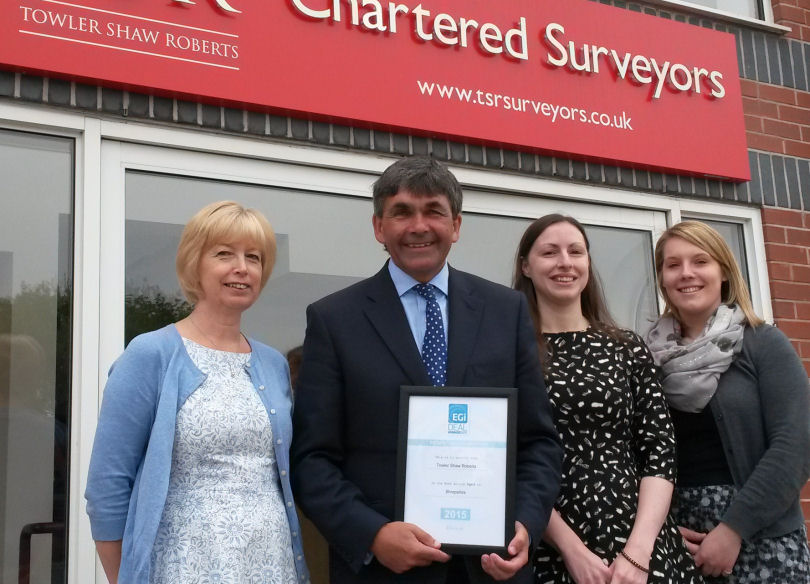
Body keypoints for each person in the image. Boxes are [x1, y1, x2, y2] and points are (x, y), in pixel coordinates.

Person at [290, 156, 563, 584]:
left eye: (433, 211)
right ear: (379, 227)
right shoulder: (334, 320)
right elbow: (312, 459)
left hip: (492, 569)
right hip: (385, 573)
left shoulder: (505, 311)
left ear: (456, 225)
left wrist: (525, 525)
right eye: (402, 212)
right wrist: (372, 534)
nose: (418, 226)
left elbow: (538, 442)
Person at [85, 201, 309, 584]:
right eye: (224, 254)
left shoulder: (273, 364)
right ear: (194, 264)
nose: (242, 267)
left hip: (272, 564)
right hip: (183, 568)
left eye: (253, 257)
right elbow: (107, 487)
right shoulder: (151, 354)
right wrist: (125, 577)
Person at [513, 214, 703, 584]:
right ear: (526, 266)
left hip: (641, 542)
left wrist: (639, 551)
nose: (565, 262)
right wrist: (571, 550)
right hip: (551, 545)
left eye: (575, 252)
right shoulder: (510, 352)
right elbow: (509, 462)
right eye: (549, 253)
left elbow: (659, 450)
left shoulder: (626, 346)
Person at [645, 220, 810, 583]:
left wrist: (734, 529)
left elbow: (795, 445)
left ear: (723, 271)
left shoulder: (764, 343)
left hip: (763, 539)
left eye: (700, 261)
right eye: (673, 265)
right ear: (662, 279)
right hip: (677, 545)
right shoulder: (647, 359)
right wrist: (660, 529)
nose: (686, 273)